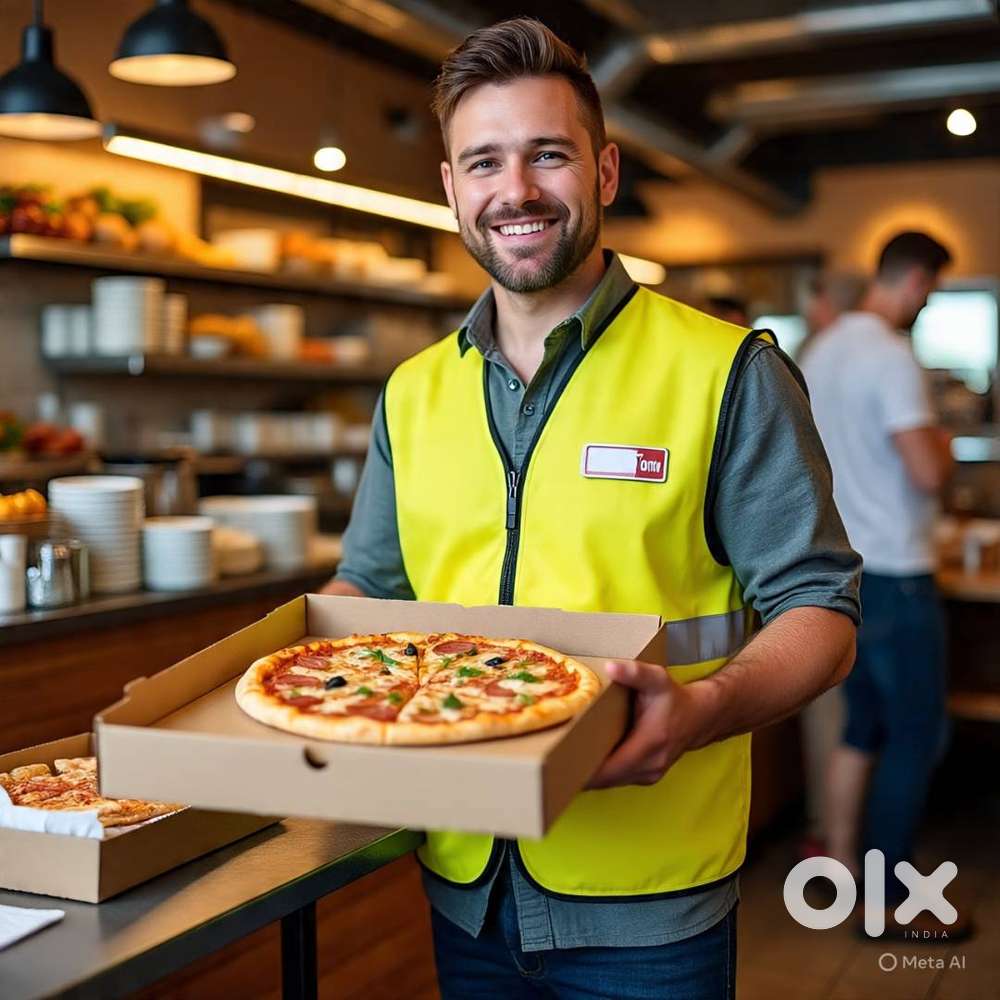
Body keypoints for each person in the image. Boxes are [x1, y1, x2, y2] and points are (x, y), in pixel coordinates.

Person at [324, 18, 861, 998]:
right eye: (482, 161)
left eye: (547, 155)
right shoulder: (410, 393)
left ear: (604, 172)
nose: (515, 190)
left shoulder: (727, 370)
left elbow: (821, 611)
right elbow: (368, 583)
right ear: (450, 189)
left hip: (648, 904)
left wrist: (698, 709)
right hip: (464, 880)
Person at [800, 231, 962, 939]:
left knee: (861, 728)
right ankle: (887, 898)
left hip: (843, 574)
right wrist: (946, 446)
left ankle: (838, 872)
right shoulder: (892, 356)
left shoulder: (822, 349)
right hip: (897, 575)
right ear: (917, 281)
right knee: (915, 733)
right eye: (929, 289)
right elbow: (927, 472)